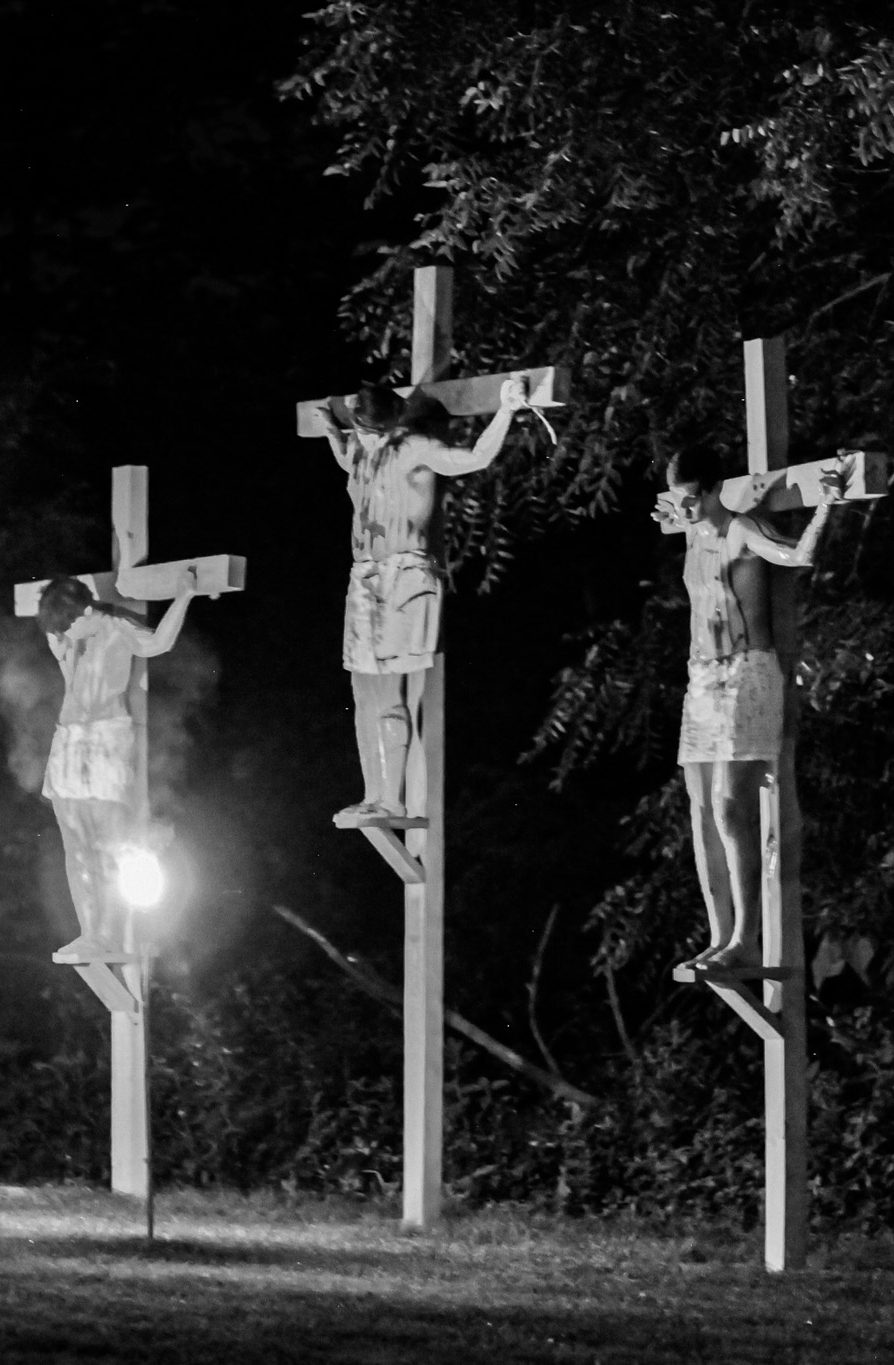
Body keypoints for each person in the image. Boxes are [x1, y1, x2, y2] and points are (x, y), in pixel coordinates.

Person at [654, 445, 844, 970]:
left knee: (729, 806)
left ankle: (745, 938)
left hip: (746, 672)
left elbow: (796, 556)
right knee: (699, 810)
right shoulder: (693, 530)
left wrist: (826, 503)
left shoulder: (740, 529)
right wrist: (674, 512)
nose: (686, 509)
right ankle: (719, 936)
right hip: (702, 679)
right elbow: (681, 519)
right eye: (679, 500)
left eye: (693, 498)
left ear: (715, 489)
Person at [319, 376, 527, 823]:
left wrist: (507, 410)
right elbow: (344, 456)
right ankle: (373, 793)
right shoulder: (359, 448)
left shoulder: (413, 447)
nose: (365, 436)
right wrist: (331, 430)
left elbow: (473, 457)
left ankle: (391, 800)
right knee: (362, 686)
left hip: (403, 574)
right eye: (360, 428)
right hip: (365, 577)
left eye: (369, 428)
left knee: (390, 689)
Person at [38, 567, 198, 959]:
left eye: (69, 625)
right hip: (69, 741)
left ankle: (106, 934)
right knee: (75, 846)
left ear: (86, 611)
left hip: (107, 738)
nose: (64, 635)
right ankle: (89, 932)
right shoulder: (65, 635)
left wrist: (185, 595)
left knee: (108, 844)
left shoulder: (116, 628)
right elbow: (54, 621)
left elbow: (159, 642)